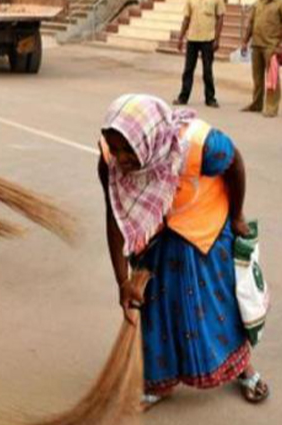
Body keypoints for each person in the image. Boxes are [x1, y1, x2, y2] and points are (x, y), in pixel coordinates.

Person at [98, 94, 270, 409]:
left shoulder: (200, 144)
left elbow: (236, 164)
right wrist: (122, 281)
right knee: (157, 313)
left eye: (128, 150)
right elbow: (114, 217)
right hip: (157, 237)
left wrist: (237, 216)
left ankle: (243, 369)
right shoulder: (109, 159)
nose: (121, 159)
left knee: (220, 307)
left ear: (148, 139)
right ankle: (158, 383)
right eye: (116, 148)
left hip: (204, 230)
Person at [174, 0, 225, 107]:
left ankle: (210, 98)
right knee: (188, 69)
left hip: (208, 38)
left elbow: (220, 18)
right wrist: (180, 38)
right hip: (192, 38)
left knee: (207, 70)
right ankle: (183, 97)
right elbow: (186, 19)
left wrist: (217, 39)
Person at [241, 0, 282, 117]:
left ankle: (271, 107)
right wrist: (245, 41)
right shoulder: (258, 4)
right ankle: (256, 104)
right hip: (256, 45)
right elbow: (251, 24)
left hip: (272, 46)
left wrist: (280, 46)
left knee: (272, 79)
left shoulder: (279, 4)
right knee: (257, 78)